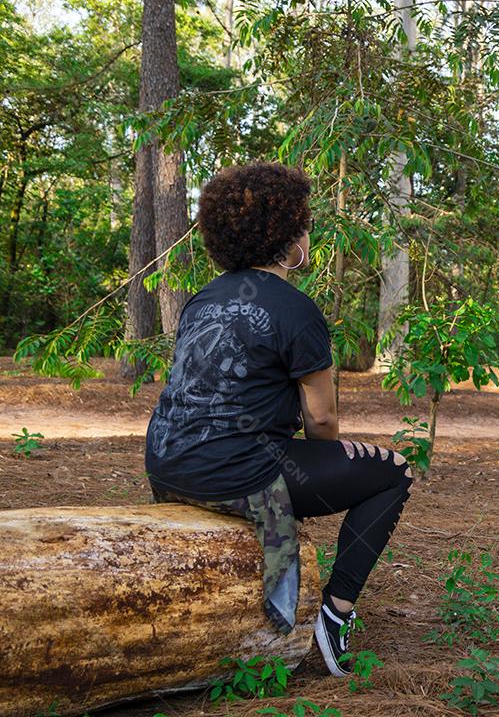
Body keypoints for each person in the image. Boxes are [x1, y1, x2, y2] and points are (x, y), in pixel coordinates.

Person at [145, 162, 412, 677]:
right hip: (238, 474)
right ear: (289, 238)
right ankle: (336, 613)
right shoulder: (297, 309)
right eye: (305, 225)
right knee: (393, 472)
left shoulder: (203, 300)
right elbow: (322, 421)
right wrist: (327, 461)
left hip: (165, 465)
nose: (308, 235)